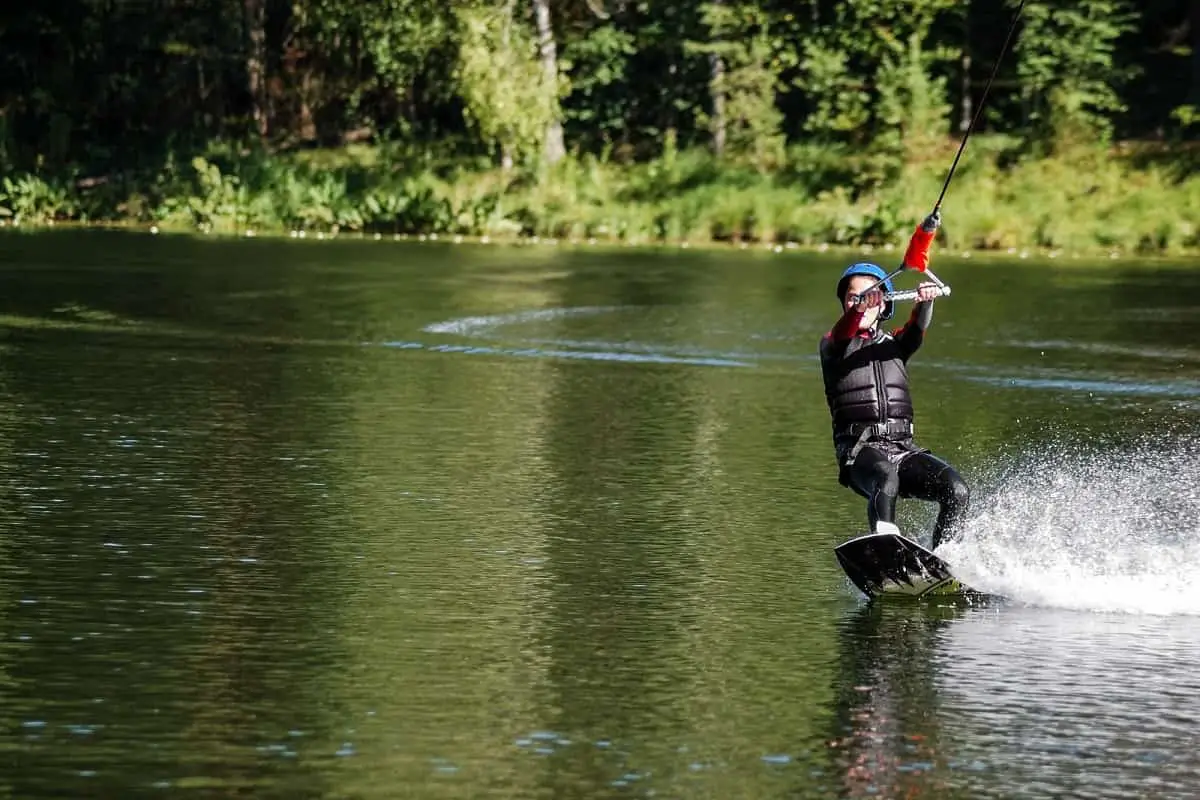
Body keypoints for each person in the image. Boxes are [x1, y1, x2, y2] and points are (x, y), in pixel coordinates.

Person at [818, 212, 969, 551]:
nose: (858, 300)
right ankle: (885, 543)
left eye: (867, 295)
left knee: (955, 488)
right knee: (885, 474)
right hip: (860, 455)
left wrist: (925, 302)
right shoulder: (833, 344)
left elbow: (917, 328)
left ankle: (946, 558)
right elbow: (844, 329)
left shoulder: (895, 345)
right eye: (851, 296)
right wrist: (857, 311)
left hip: (904, 449)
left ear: (883, 302)